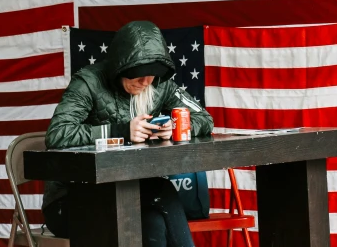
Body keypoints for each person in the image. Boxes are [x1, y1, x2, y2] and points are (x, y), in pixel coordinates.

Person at [42, 21, 213, 247]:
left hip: (132, 192)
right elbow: (57, 134)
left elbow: (204, 118)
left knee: (153, 222)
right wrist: (121, 131)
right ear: (120, 69)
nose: (145, 82)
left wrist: (175, 128)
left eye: (151, 75)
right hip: (73, 200)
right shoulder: (89, 82)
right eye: (138, 76)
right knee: (161, 190)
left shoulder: (160, 84)